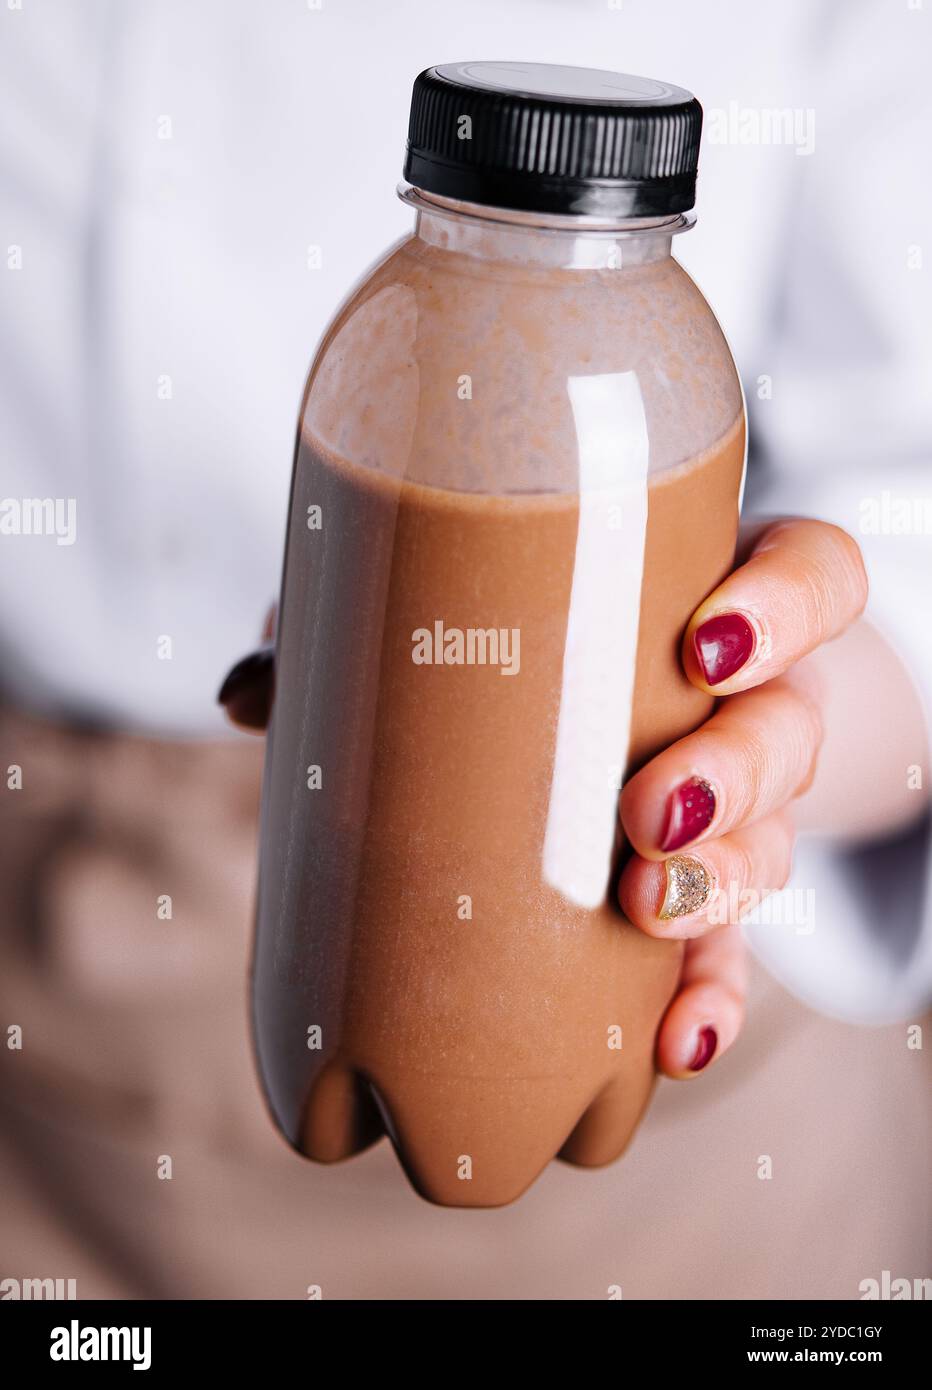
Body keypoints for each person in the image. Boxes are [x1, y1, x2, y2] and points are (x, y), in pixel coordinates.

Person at [1, 0, 929, 1299]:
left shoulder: (659, 344)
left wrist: (764, 733)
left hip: (674, 1155)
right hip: (46, 1038)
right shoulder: (388, 315)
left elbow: (912, 508)